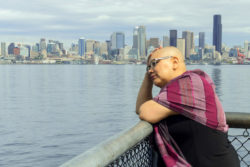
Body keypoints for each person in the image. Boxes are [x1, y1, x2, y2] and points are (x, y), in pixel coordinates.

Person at [136, 47, 240, 167]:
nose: (150, 70)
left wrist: (150, 72)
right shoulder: (178, 88)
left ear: (175, 62)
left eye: (154, 63)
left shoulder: (188, 84)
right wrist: (148, 75)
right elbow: (141, 108)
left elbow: (146, 112)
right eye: (148, 67)